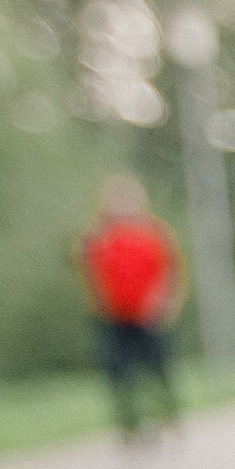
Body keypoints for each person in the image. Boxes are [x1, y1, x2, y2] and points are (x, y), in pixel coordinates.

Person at [79, 176, 182, 443]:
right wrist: (99, 301)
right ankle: (129, 427)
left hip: (149, 315)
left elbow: (171, 270)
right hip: (116, 316)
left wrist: (164, 302)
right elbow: (89, 270)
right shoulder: (99, 236)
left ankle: (168, 416)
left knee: (159, 368)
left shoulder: (154, 232)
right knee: (119, 372)